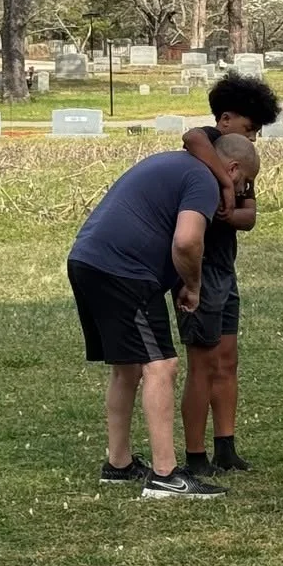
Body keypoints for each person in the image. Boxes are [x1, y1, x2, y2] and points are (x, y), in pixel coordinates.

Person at [68, 143, 244, 500]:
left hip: (87, 259)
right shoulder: (204, 180)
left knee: (127, 367)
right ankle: (165, 475)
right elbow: (186, 241)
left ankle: (118, 465)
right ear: (234, 168)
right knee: (161, 365)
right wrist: (193, 286)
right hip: (124, 270)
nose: (239, 193)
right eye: (244, 183)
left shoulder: (174, 164)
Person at [177, 74, 281, 475]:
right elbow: (191, 137)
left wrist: (230, 210)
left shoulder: (243, 163)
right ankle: (195, 454)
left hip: (225, 269)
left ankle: (226, 445)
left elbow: (249, 215)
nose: (253, 138)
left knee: (227, 359)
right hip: (199, 269)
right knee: (201, 363)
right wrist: (223, 182)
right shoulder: (210, 147)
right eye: (250, 128)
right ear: (225, 119)